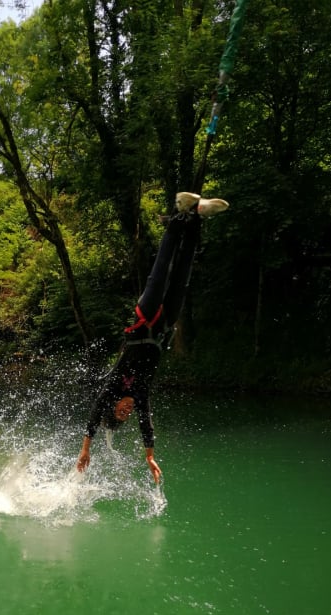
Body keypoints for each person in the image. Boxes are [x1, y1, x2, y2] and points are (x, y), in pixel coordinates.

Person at [76, 191, 228, 483]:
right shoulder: (140, 396)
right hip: (164, 325)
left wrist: (86, 449)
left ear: (114, 405)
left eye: (120, 412)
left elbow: (95, 412)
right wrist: (149, 456)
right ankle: (196, 218)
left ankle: (177, 216)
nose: (127, 411)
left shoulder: (114, 385)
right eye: (125, 416)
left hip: (145, 318)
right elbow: (147, 423)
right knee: (182, 276)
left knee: (161, 273)